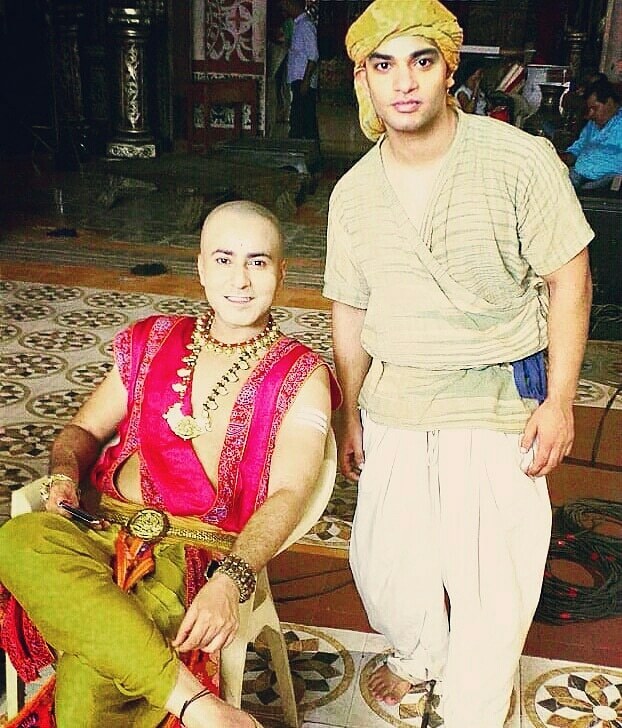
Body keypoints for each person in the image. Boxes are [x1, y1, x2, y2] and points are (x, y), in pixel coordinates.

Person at [322, 1, 593, 727]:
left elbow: (570, 278)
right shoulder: (354, 194)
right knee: (385, 567)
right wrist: (351, 413)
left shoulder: (518, 159)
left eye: (421, 61)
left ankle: (477, 698)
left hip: (498, 394)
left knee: (491, 575)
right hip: (397, 398)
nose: (404, 82)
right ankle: (420, 654)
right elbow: (350, 310)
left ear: (449, 69)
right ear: (363, 80)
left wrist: (559, 401)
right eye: (384, 65)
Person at [0, 200, 340, 728]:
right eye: (224, 260)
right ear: (201, 268)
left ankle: (176, 695)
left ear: (281, 272)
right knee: (19, 538)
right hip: (102, 530)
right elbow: (82, 431)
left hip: (196, 556)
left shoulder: (302, 374)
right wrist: (65, 475)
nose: (240, 279)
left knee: (92, 668)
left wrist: (230, 579)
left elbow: (289, 494)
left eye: (257, 261)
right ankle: (200, 706)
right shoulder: (153, 338)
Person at [560, 78, 622, 190]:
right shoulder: (592, 124)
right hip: (578, 174)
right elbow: (577, 148)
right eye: (590, 109)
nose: (591, 114)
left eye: (595, 108)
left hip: (608, 179)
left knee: (583, 190)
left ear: (609, 102)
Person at [282, 0, 319, 139]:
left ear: (292, 5)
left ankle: (302, 148)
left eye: (286, 5)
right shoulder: (297, 25)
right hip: (299, 80)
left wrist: (305, 81)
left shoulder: (306, 26)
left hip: (303, 81)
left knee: (302, 120)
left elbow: (313, 56)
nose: (284, 8)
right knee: (302, 120)